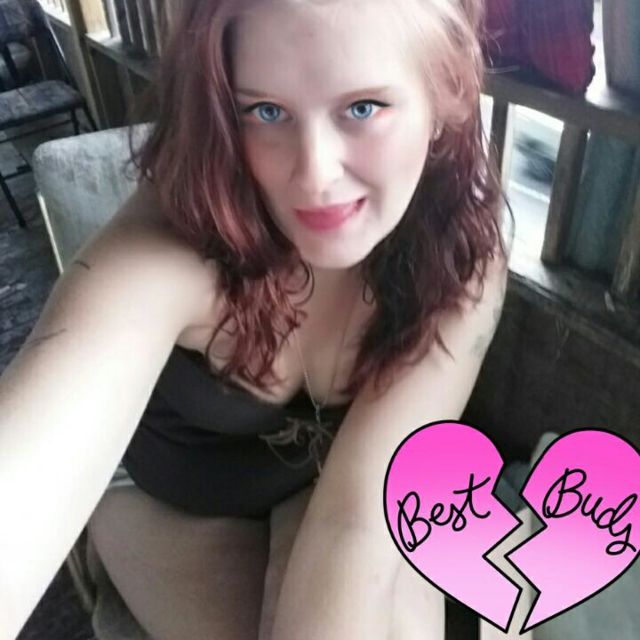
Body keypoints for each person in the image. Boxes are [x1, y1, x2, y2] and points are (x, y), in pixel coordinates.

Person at [0, 0, 513, 638]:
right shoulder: (170, 248)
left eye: (363, 108)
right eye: (266, 111)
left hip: (330, 476)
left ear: (445, 95)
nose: (315, 175)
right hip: (174, 496)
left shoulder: (457, 256)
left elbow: (363, 516)